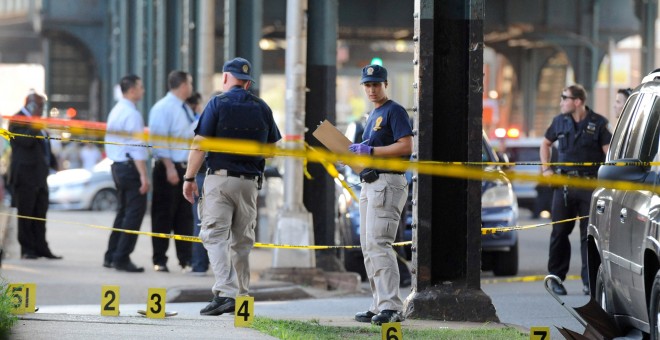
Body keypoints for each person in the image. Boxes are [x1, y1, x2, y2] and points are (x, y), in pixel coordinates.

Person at [182, 57, 281, 316]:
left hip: (220, 180)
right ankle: (242, 296)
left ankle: (225, 292)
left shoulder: (217, 103)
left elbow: (199, 145)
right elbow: (272, 151)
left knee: (214, 235)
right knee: (242, 241)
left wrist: (189, 178)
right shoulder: (263, 107)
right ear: (248, 82)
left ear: (226, 78)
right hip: (249, 184)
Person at [348, 64, 413, 325]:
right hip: (370, 183)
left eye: (376, 84)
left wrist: (371, 153)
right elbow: (372, 148)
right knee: (368, 246)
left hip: (388, 183)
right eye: (367, 85)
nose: (372, 89)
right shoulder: (373, 114)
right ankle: (379, 305)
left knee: (379, 243)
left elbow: (406, 144)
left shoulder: (394, 110)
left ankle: (391, 306)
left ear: (385, 84)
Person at [540, 84, 612, 296]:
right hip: (563, 186)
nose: (561, 102)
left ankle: (589, 281)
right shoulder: (558, 121)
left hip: (589, 186)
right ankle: (555, 278)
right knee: (559, 232)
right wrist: (546, 169)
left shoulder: (598, 124)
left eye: (565, 98)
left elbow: (608, 153)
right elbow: (545, 143)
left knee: (587, 235)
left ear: (578, 101)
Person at [148, 71, 195, 273]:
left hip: (185, 168)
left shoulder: (185, 108)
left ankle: (185, 259)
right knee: (163, 216)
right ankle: (160, 259)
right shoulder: (163, 108)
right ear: (183, 85)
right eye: (190, 83)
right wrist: (169, 168)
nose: (191, 88)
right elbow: (159, 141)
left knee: (184, 217)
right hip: (169, 167)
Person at [103, 75, 149, 273]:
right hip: (130, 168)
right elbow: (137, 147)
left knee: (123, 212)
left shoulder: (117, 110)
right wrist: (144, 176)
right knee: (133, 214)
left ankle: (111, 255)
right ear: (131, 90)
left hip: (118, 166)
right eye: (140, 87)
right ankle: (121, 258)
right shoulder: (132, 114)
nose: (143, 90)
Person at [8, 92, 61, 259]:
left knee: (40, 213)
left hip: (39, 175)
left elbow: (43, 143)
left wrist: (52, 161)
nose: (42, 110)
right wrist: (34, 123)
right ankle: (27, 249)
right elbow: (26, 141)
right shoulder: (18, 119)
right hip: (25, 175)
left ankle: (41, 247)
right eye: (40, 106)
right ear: (30, 105)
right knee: (26, 213)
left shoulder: (37, 122)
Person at [185, 92, 210, 276]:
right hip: (227, 177)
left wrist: (189, 177)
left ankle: (199, 265)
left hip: (202, 176)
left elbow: (193, 150)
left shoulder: (200, 124)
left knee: (200, 222)